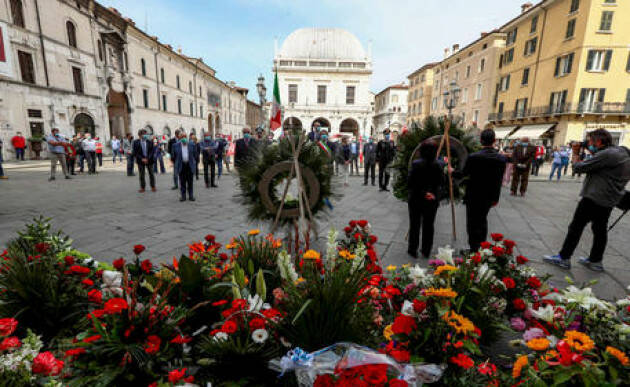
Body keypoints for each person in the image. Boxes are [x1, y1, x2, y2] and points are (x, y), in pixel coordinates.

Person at [544, 129, 630, 271]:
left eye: (590, 141)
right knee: (600, 230)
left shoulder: (608, 154)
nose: (588, 143)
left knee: (576, 227)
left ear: (598, 141)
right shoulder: (621, 153)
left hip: (594, 198)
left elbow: (578, 168)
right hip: (609, 199)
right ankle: (595, 261)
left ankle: (564, 258)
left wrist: (576, 153)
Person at [461, 129, 507, 252]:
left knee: (472, 223)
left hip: (473, 195)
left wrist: (450, 171)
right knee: (482, 220)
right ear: (494, 141)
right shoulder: (501, 159)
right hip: (489, 197)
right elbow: (499, 180)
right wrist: (496, 198)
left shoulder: (474, 157)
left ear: (481, 140)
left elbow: (463, 173)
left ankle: (474, 248)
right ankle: (481, 247)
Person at [407, 140, 444, 259]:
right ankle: (426, 250)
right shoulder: (439, 164)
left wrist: (423, 193)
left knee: (414, 224)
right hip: (431, 200)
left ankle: (413, 249)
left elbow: (411, 182)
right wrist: (432, 194)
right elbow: (441, 183)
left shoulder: (416, 164)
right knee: (429, 225)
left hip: (416, 198)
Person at [172, 133, 197, 201]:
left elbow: (195, 155)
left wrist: (194, 163)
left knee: (190, 182)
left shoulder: (192, 144)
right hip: (181, 165)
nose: (184, 138)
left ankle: (191, 196)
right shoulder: (175, 145)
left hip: (189, 165)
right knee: (182, 182)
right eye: (182, 137)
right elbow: (173, 157)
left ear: (187, 137)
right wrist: (177, 163)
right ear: (179, 138)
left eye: (185, 136)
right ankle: (183, 196)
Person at [132, 129, 156, 193]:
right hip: (140, 160)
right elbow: (135, 152)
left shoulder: (149, 142)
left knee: (151, 174)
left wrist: (147, 158)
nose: (145, 135)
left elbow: (152, 151)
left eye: (146, 134)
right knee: (141, 175)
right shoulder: (135, 142)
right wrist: (142, 159)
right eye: (143, 134)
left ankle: (153, 186)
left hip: (149, 160)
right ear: (139, 135)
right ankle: (142, 187)